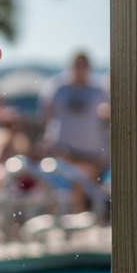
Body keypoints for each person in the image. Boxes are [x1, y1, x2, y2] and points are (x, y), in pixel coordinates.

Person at [38, 51, 109, 211]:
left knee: (89, 195)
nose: (81, 69)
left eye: (84, 64)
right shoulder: (57, 87)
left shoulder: (98, 89)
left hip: (91, 154)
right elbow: (45, 116)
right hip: (64, 152)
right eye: (78, 64)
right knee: (59, 194)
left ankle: (83, 222)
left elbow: (108, 114)